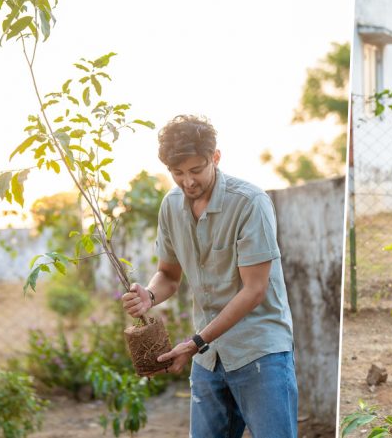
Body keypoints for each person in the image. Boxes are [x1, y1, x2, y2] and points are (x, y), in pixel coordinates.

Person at [121, 114, 297, 438]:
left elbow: (254, 290)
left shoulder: (249, 203)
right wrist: (150, 294)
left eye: (196, 170)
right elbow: (168, 275)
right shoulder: (170, 207)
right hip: (208, 359)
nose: (187, 182)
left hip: (258, 352)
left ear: (215, 158)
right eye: (177, 173)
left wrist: (195, 342)